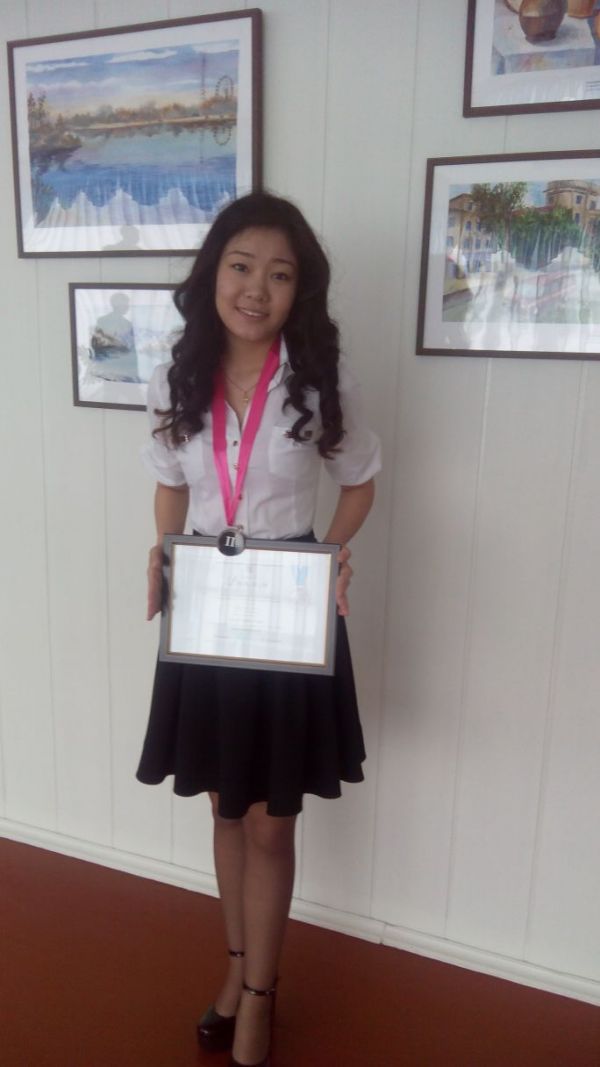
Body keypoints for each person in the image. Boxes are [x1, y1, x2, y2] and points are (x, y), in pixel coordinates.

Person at [136, 191, 381, 1067]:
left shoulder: (320, 380)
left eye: (279, 274)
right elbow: (171, 483)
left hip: (286, 602)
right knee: (225, 802)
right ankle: (237, 968)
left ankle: (262, 996)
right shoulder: (175, 376)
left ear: (298, 290)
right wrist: (161, 551)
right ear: (213, 274)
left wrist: (335, 554)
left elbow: (359, 482)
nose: (256, 288)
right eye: (241, 267)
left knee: (273, 821)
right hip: (207, 602)